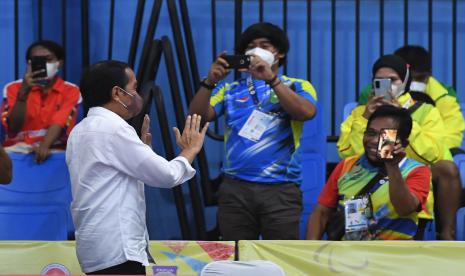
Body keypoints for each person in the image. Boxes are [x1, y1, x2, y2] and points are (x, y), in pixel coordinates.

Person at [67, 60, 208, 275]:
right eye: (133, 87)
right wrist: (190, 150)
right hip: (117, 248)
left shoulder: (80, 130)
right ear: (117, 92)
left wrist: (142, 153)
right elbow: (167, 175)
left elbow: (110, 178)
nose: (136, 94)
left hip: (96, 246)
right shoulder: (114, 129)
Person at [188, 22, 317, 240]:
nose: (256, 51)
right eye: (251, 46)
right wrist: (210, 82)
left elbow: (306, 113)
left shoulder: (297, 86)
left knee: (281, 258)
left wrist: (272, 80)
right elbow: (197, 117)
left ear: (280, 53)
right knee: (236, 258)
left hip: (281, 189)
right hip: (235, 188)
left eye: (264, 45)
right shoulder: (230, 90)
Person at [338, 54, 460, 240]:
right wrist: (365, 119)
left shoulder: (426, 111)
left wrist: (403, 117)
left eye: (393, 80)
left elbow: (431, 154)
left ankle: (446, 233)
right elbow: (349, 156)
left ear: (405, 81)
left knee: (447, 168)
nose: (387, 85)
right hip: (368, 177)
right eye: (380, 81)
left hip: (409, 173)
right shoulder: (359, 113)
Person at [307, 105, 430, 240]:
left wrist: (392, 165)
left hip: (394, 257)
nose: (373, 141)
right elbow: (321, 212)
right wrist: (310, 251)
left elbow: (404, 208)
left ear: (403, 143)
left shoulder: (417, 171)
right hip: (349, 256)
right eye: (370, 133)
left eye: (384, 136)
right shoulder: (347, 165)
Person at [358, 45, 465, 151]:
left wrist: (403, 121)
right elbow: (351, 151)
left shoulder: (441, 99)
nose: (413, 83)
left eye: (420, 78)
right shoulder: (372, 95)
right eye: (410, 78)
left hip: (428, 161)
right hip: (382, 156)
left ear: (430, 74)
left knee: (447, 165)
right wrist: (365, 118)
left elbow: (447, 142)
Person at [1, 40, 80, 164]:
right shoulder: (12, 88)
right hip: (16, 151)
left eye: (48, 59)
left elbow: (60, 121)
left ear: (59, 63)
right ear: (29, 63)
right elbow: (13, 127)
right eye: (38, 60)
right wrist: (23, 94)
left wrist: (44, 145)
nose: (44, 64)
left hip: (55, 151)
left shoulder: (71, 90)